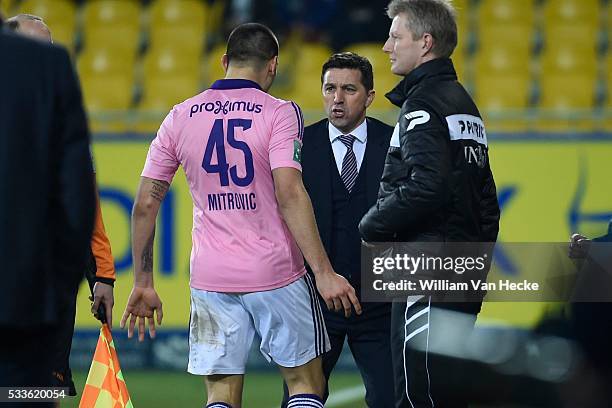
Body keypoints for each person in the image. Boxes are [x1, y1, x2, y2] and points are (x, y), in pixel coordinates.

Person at [120, 23, 361, 408]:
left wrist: (144, 281)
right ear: (273, 66)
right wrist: (323, 272)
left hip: (212, 277)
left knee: (220, 393)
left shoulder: (180, 115)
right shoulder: (281, 113)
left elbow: (146, 203)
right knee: (304, 384)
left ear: (224, 61)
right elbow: (289, 192)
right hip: (276, 273)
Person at [358, 1, 500, 407]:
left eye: (395, 36)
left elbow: (426, 186)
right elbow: (486, 201)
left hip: (425, 266)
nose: (386, 46)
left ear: (425, 43)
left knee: (419, 394)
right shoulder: (463, 104)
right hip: (461, 265)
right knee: (448, 391)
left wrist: (371, 226)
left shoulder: (422, 106)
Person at [7, 13, 117, 398]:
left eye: (49, 46)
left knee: (36, 391)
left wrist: (101, 274)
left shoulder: (61, 114)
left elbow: (84, 208)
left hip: (45, 290)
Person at [280, 52, 394, 408]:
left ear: (370, 96)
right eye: (330, 88)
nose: (337, 99)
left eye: (349, 89)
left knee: (391, 398)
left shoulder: (395, 143)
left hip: (379, 302)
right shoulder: (297, 146)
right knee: (301, 399)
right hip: (315, 303)